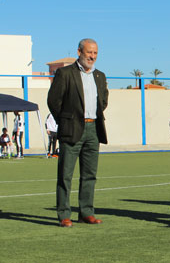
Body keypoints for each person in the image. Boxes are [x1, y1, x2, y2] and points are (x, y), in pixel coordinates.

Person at [47, 38, 108, 228]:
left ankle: (86, 212)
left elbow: (103, 101)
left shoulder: (100, 76)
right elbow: (53, 101)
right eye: (89, 52)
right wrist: (66, 121)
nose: (92, 56)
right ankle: (64, 214)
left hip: (93, 130)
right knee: (65, 174)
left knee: (90, 174)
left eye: (95, 53)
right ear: (79, 52)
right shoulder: (65, 74)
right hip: (71, 129)